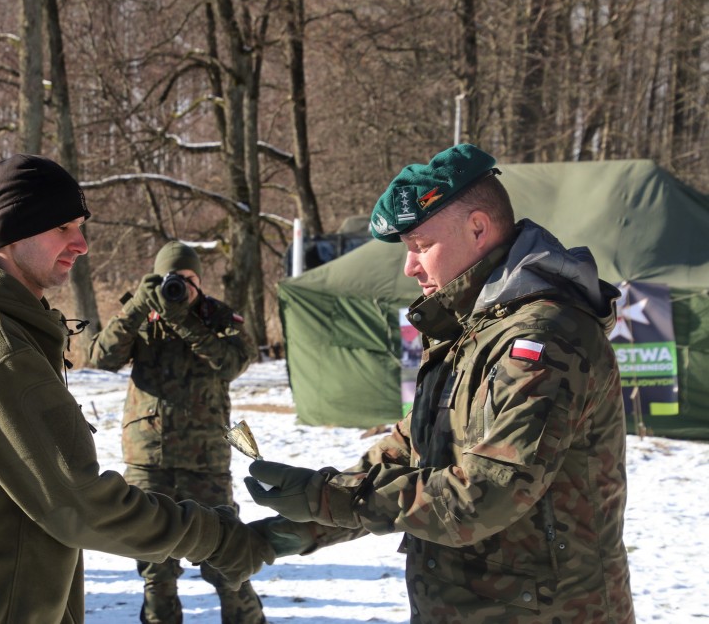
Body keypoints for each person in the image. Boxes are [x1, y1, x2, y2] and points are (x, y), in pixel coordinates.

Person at [244, 144, 635, 623]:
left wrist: (328, 498)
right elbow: (409, 455)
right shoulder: (467, 330)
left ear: (478, 228)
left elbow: (486, 495)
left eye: (421, 246)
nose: (410, 267)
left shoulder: (544, 337)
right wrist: (309, 524)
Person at [0, 154, 273, 624]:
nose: (82, 244)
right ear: (15, 229)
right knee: (158, 583)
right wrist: (217, 536)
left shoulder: (1, 326)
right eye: (63, 227)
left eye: (80, 227)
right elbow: (78, 501)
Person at [89, 242, 264, 623]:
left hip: (205, 461)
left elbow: (232, 363)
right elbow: (101, 357)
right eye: (172, 279)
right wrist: (137, 305)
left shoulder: (218, 318)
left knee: (228, 560)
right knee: (156, 567)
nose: (180, 287)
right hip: (148, 460)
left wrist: (184, 319)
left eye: (188, 279)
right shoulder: (141, 318)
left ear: (199, 281)